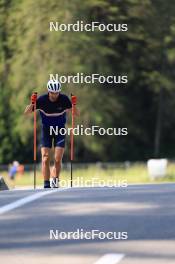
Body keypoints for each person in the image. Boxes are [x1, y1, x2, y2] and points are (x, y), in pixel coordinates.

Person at [24, 80, 79, 188]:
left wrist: (74, 105)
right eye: (53, 93)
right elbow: (27, 112)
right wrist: (32, 103)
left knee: (58, 158)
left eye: (57, 92)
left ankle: (55, 179)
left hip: (60, 130)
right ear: (49, 91)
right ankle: (46, 184)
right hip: (46, 130)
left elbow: (76, 114)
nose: (55, 95)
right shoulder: (42, 100)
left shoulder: (64, 99)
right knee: (45, 157)